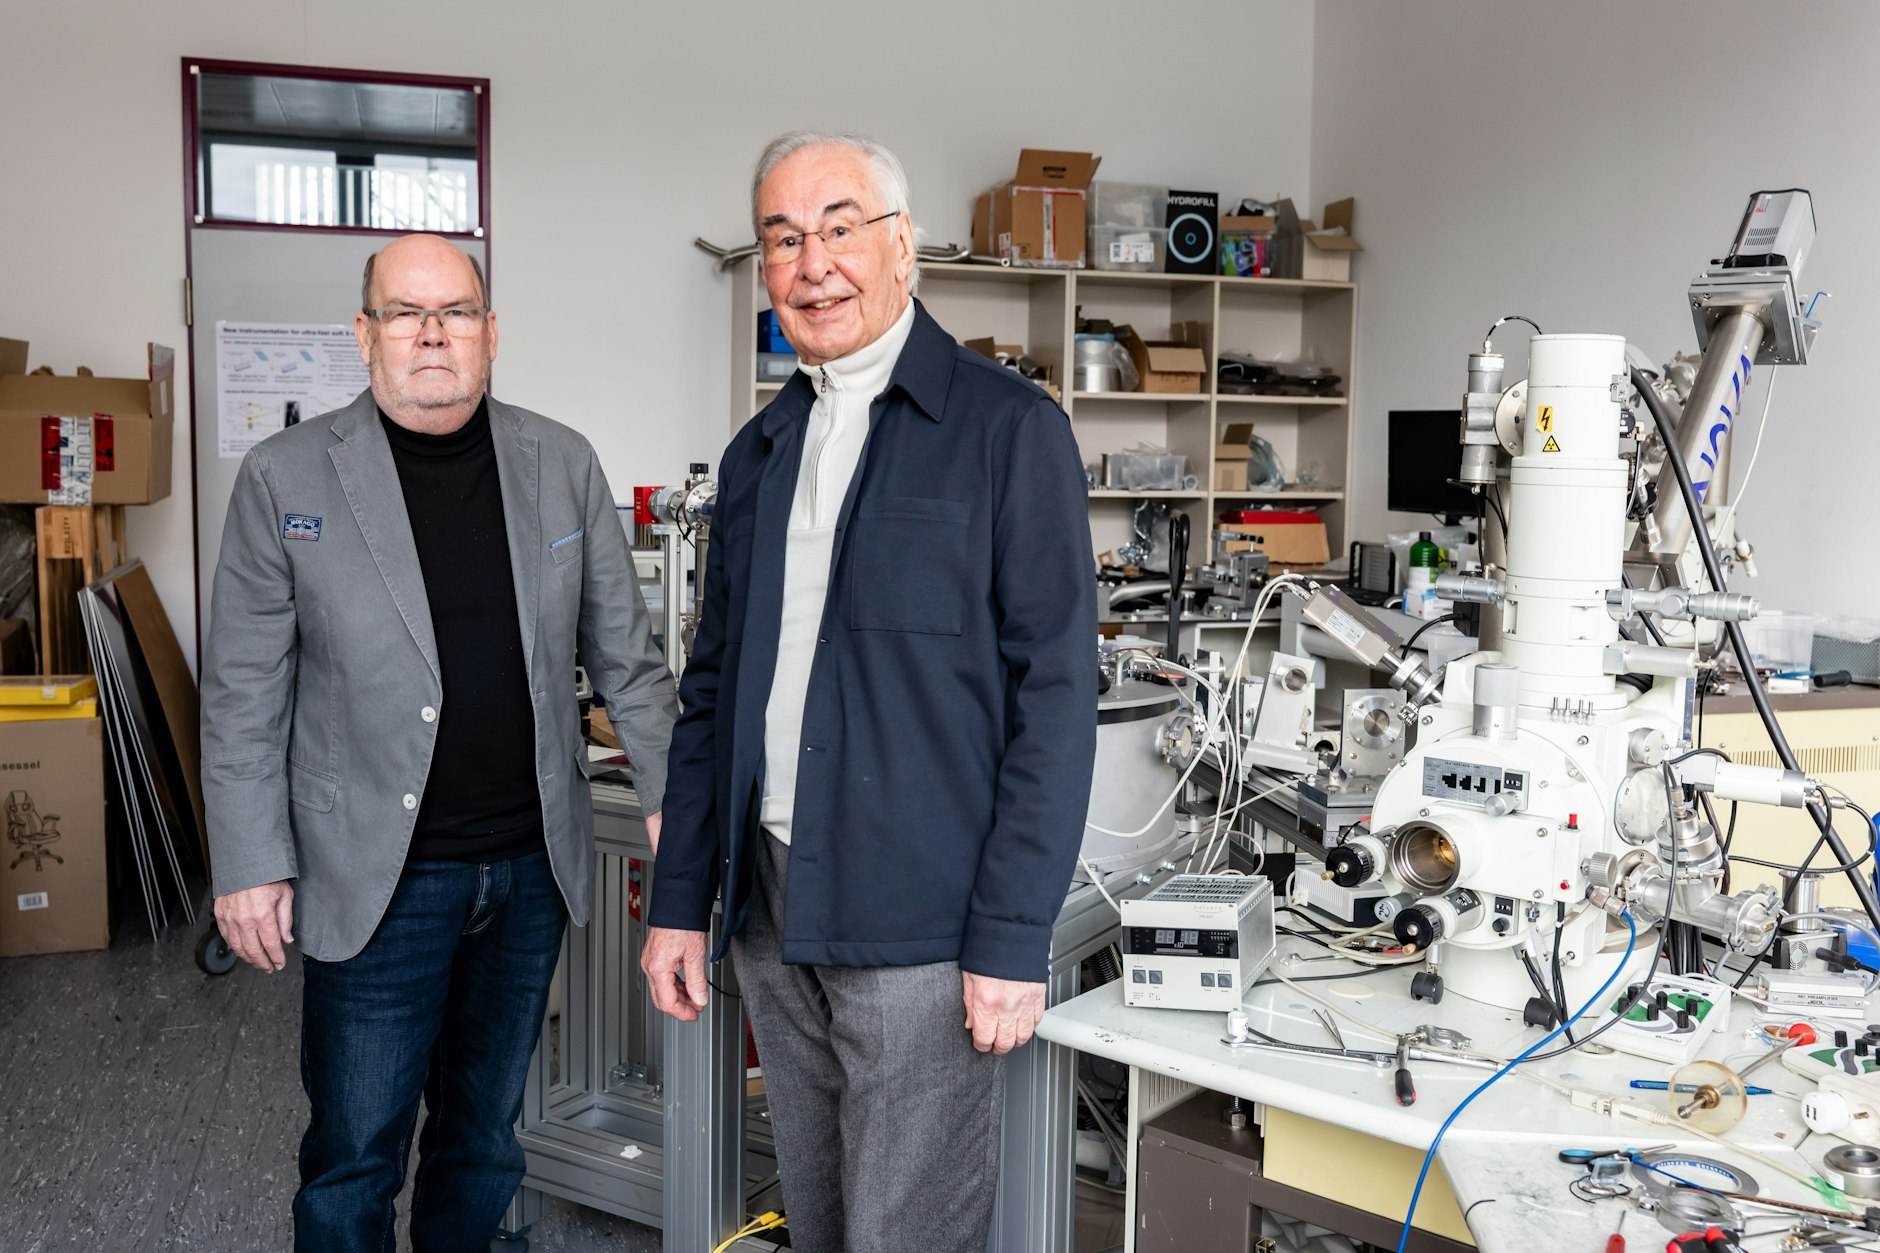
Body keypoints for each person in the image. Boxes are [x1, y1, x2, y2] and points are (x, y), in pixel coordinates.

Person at [642, 131, 1097, 1252]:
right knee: (825, 1214)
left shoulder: (1006, 429)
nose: (812, 263)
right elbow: (712, 694)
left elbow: (1055, 697)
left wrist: (1009, 936)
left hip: (924, 927)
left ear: (904, 249)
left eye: (840, 228)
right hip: (773, 907)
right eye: (783, 239)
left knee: (908, 1231)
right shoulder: (759, 452)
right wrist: (674, 899)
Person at [200, 233, 677, 1252]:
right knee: (354, 1151)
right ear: (364, 335)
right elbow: (242, 691)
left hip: (524, 871)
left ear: (490, 332)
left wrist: (675, 809)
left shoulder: (563, 461)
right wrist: (248, 863)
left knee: (482, 1140)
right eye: (405, 313)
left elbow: (628, 664)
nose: (431, 332)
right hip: (372, 876)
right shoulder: (285, 477)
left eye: (455, 311)